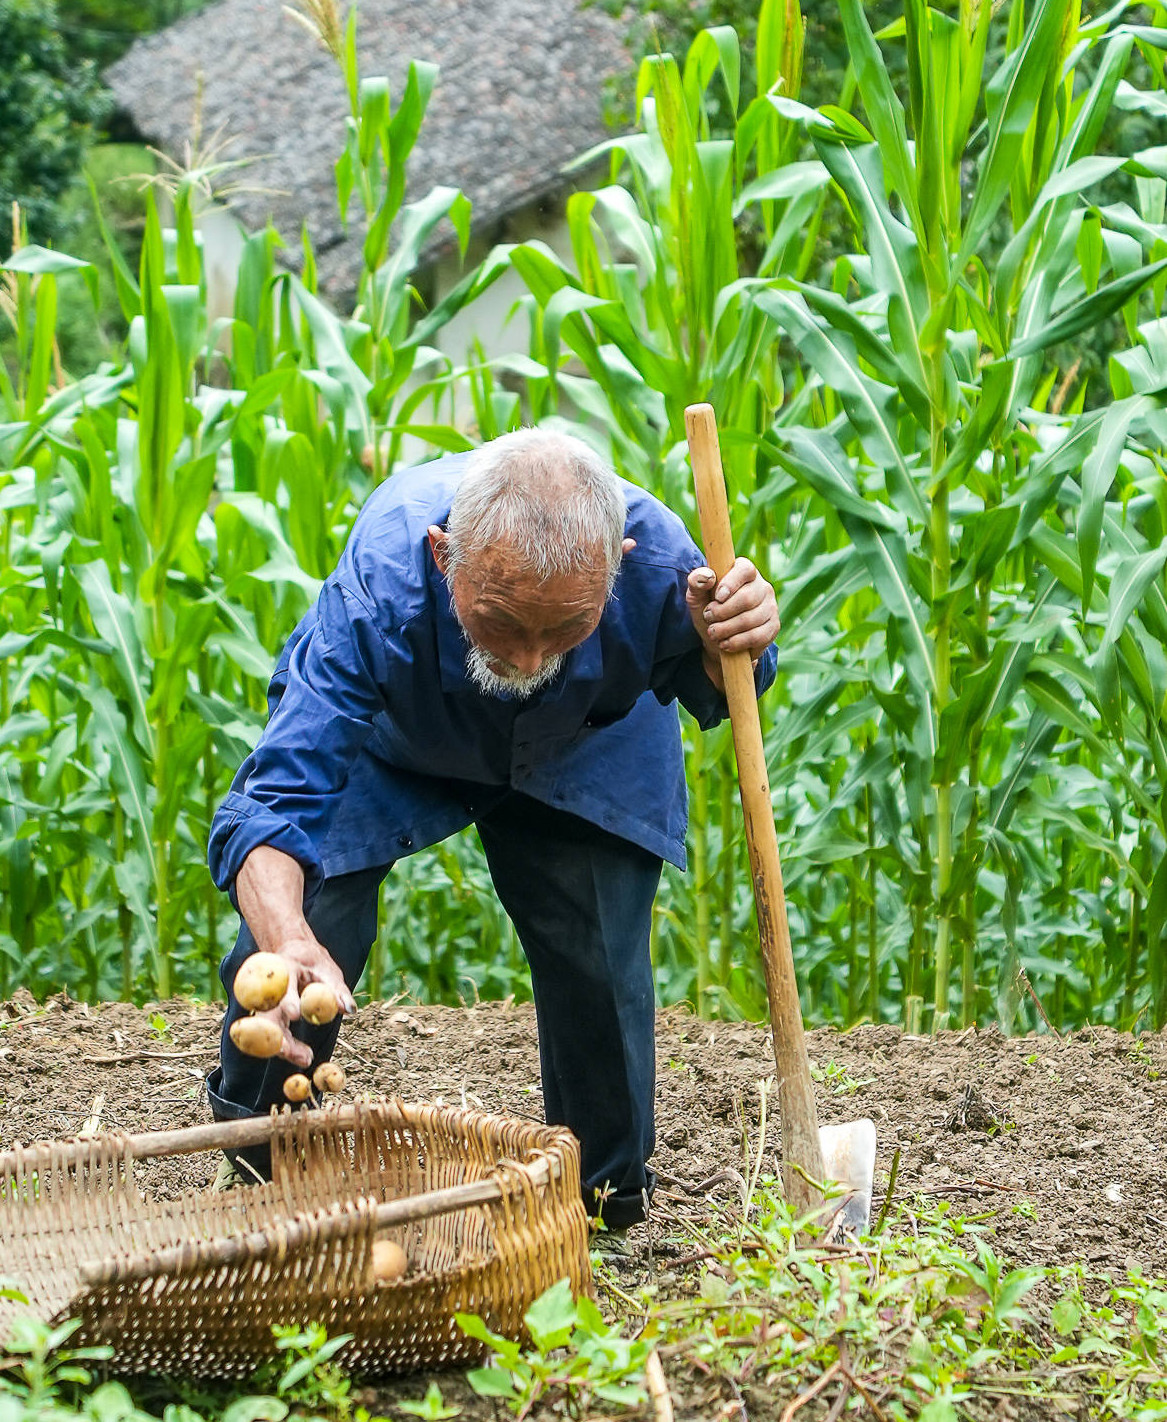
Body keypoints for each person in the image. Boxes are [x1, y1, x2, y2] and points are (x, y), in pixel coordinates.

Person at [206, 428, 780, 1227]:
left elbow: (727, 685)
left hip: (588, 744)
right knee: (306, 927)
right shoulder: (381, 584)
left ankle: (597, 1201)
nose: (531, 657)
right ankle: (255, 1157)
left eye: (566, 627)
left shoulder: (659, 566)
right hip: (401, 742)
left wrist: (739, 638)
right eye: (505, 621)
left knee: (600, 967)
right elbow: (276, 800)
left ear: (614, 561)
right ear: (444, 556)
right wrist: (287, 936)